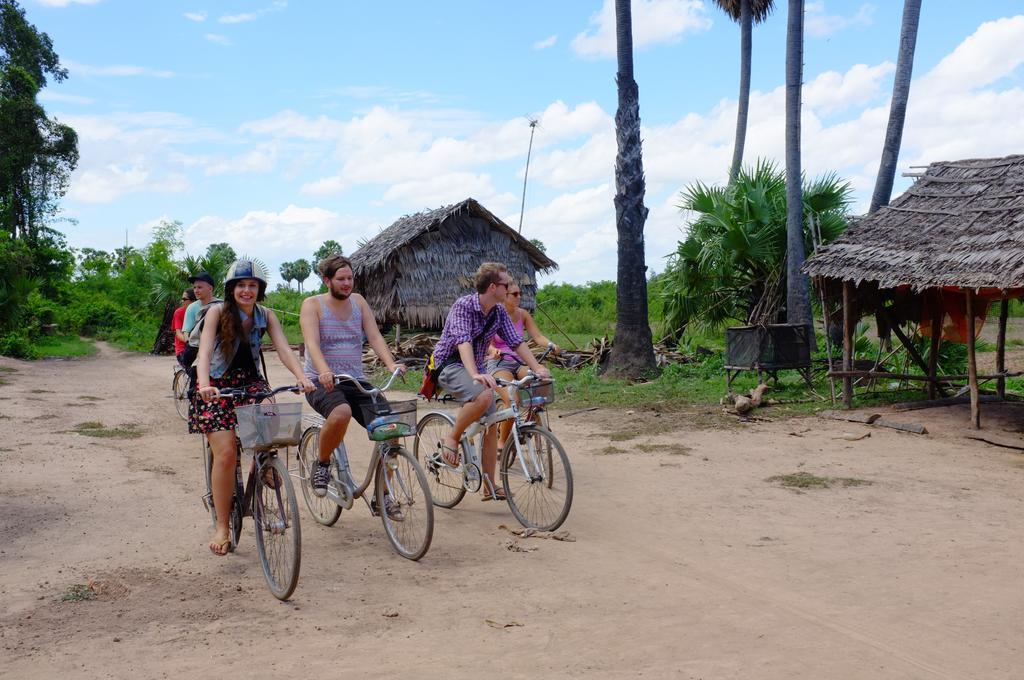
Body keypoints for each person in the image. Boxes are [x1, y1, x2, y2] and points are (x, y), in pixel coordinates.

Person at [192, 259, 314, 556]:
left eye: (253, 286)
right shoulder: (217, 312)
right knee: (226, 453)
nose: (247, 291)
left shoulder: (266, 315)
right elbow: (205, 350)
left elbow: (284, 348)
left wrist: (301, 377)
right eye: (241, 285)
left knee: (270, 414)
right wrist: (204, 384)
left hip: (250, 382)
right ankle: (222, 526)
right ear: (231, 289)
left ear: (260, 290)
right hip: (216, 385)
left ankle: (264, 465)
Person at [430, 262, 550, 500]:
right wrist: (475, 374)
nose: (510, 289)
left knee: (492, 423)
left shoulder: (497, 312)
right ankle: (452, 437)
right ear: (493, 286)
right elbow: (463, 342)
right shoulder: (464, 306)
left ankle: (489, 485)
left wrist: (536, 368)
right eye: (506, 285)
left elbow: (517, 341)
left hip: (477, 368)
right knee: (483, 396)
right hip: (449, 365)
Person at [299, 255, 406, 505]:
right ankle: (323, 463)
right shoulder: (312, 305)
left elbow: (375, 336)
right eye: (341, 279)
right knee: (341, 413)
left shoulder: (358, 302)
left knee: (391, 428)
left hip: (355, 380)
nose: (347, 283)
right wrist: (324, 370)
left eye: (350, 278)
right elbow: (312, 343)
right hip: (321, 381)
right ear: (327, 281)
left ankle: (385, 496)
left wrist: (391, 363)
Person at [486, 277, 559, 446]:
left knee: (540, 383)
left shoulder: (523, 314)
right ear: (505, 296)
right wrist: (493, 350)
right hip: (499, 363)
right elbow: (487, 343)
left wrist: (550, 344)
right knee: (513, 400)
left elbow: (537, 336)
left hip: (520, 361)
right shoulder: (494, 315)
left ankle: (530, 422)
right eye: (515, 294)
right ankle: (502, 442)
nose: (519, 297)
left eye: (520, 293)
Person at [182, 271, 218, 336]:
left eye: (199, 287)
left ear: (210, 288)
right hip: (196, 345)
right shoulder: (192, 307)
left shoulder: (221, 305)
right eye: (194, 287)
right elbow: (186, 333)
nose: (195, 291)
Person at [172, 288, 197, 368]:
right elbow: (178, 333)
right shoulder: (179, 312)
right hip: (183, 349)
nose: (181, 301)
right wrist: (190, 342)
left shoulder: (202, 311)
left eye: (184, 299)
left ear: (193, 301)